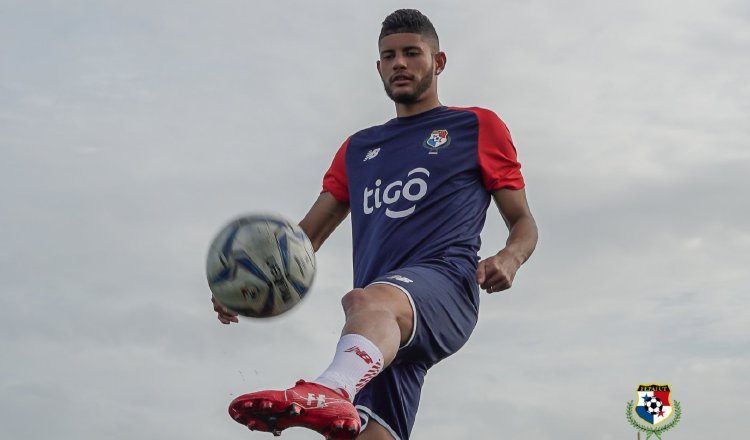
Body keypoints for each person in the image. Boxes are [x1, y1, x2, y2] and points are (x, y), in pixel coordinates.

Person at [212, 9, 538, 440]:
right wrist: (245, 285)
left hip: (445, 287)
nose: (400, 63)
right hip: (379, 331)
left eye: (411, 53)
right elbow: (303, 238)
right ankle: (337, 394)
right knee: (364, 433)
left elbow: (523, 221)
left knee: (364, 301)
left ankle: (327, 388)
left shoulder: (475, 126)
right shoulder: (358, 149)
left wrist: (510, 258)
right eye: (389, 56)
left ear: (438, 62)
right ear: (379, 67)